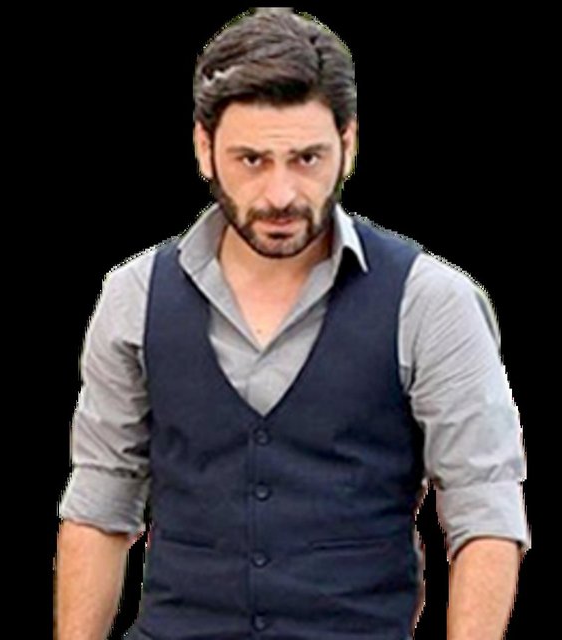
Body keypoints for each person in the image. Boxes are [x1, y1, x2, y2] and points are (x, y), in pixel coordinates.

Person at [55, 8, 530, 640]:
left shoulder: (430, 300)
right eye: (251, 160)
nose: (281, 194)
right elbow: (101, 502)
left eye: (307, 158)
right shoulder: (133, 296)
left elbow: (484, 507)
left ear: (348, 143)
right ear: (204, 149)